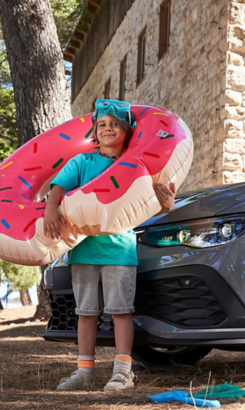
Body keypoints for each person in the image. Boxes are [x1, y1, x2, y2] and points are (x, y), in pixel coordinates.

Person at [43, 99, 176, 392]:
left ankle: (123, 371)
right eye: (102, 124)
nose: (108, 128)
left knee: (120, 312)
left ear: (127, 131)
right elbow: (58, 187)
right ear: (94, 130)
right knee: (86, 313)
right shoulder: (82, 162)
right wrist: (50, 210)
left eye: (115, 124)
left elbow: (153, 205)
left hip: (119, 250)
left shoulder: (138, 167)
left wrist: (167, 204)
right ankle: (84, 371)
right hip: (84, 251)